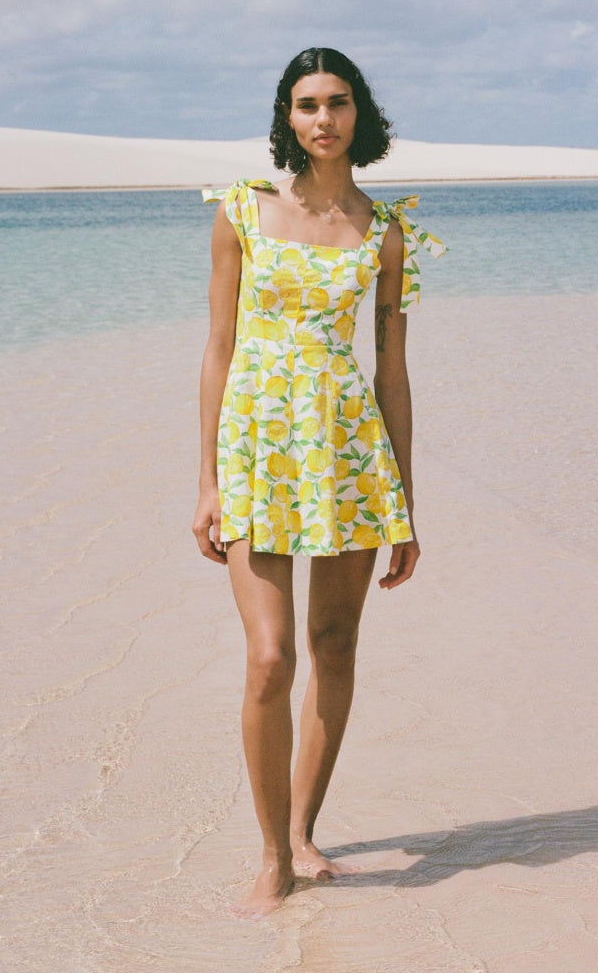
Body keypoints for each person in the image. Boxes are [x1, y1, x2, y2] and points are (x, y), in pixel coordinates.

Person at [192, 47, 445, 917]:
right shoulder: (241, 211)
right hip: (258, 454)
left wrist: (403, 504)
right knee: (270, 658)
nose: (323, 118)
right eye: (307, 104)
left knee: (335, 645)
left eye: (337, 102)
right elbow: (218, 348)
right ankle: (271, 859)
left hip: (349, 456)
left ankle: (303, 835)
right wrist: (207, 480)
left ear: (358, 114)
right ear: (287, 117)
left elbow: (393, 373)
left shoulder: (386, 230)